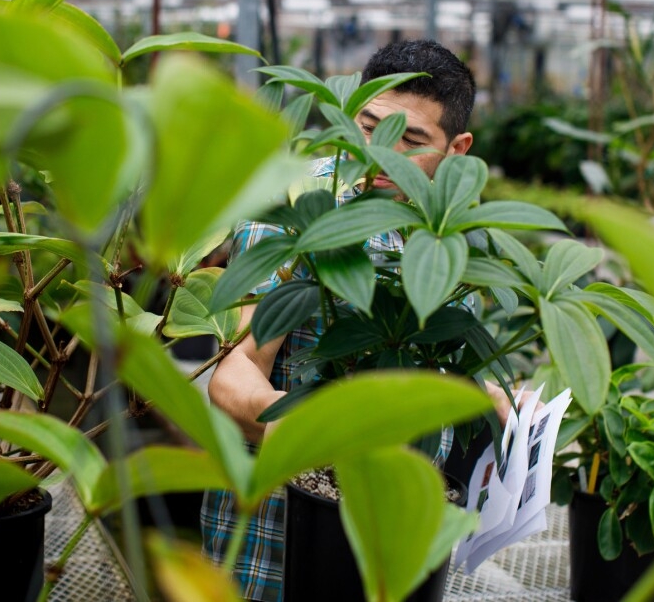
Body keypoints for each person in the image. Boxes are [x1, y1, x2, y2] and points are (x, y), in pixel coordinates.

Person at [201, 39, 518, 601]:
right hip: (287, 534)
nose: (378, 153)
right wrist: (314, 434)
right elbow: (234, 374)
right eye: (368, 128)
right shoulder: (303, 208)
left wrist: (477, 395)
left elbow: (423, 363)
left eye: (411, 141)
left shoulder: (452, 234)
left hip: (403, 528)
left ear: (459, 150)